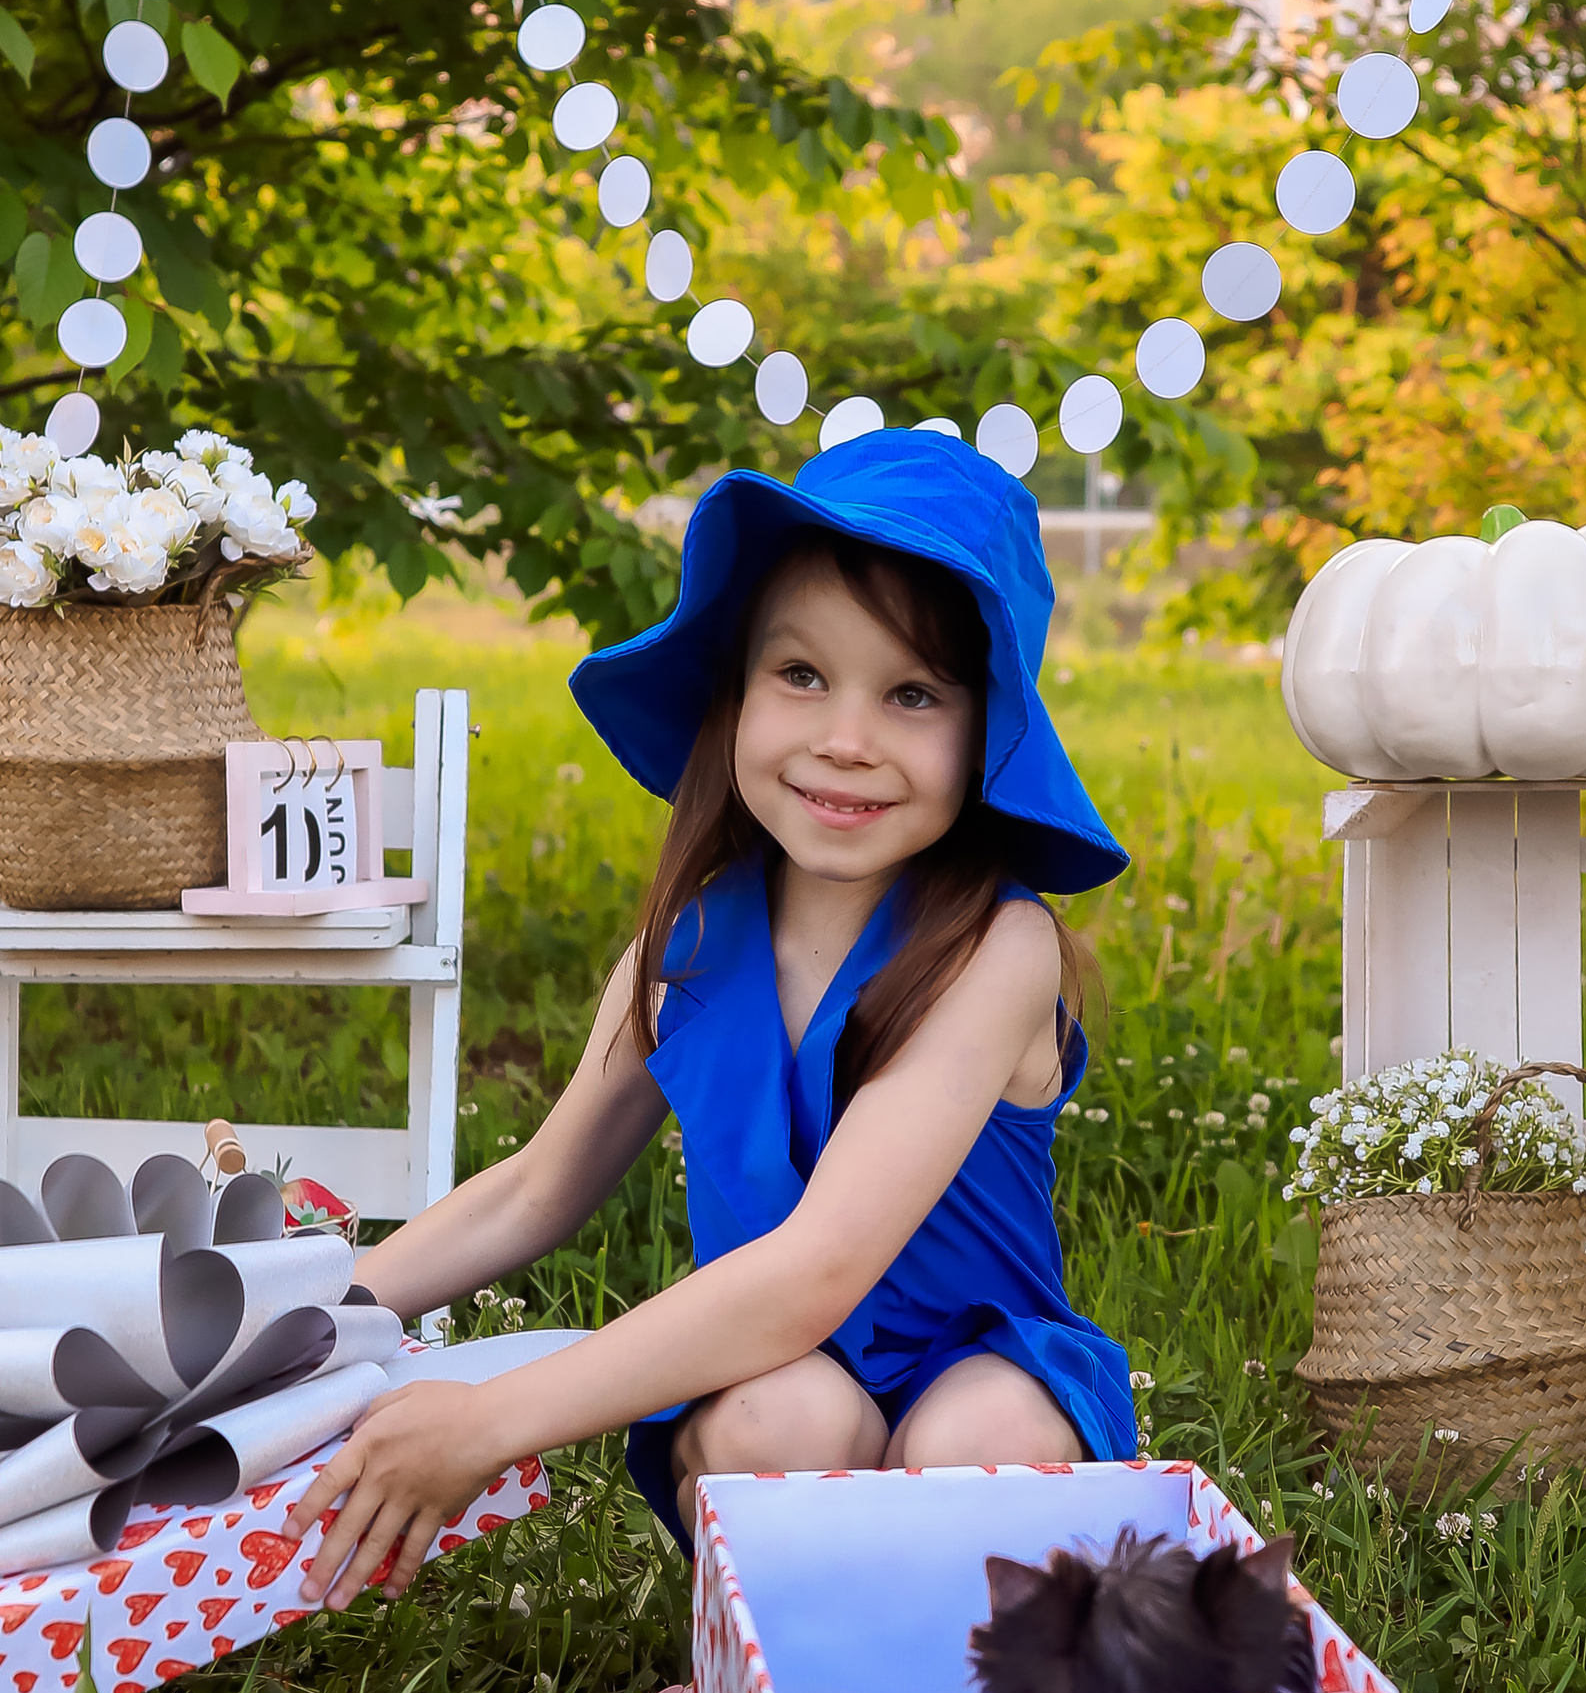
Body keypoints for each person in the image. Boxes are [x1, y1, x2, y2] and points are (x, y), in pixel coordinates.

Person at [283, 424, 1136, 1627]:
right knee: (780, 1417)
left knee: (975, 1435)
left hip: (978, 1361)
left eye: (911, 694)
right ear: (735, 691)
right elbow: (536, 1191)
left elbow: (819, 1268)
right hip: (778, 1377)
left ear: (987, 732)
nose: (846, 738)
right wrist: (315, 1324)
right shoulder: (689, 946)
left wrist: (490, 1418)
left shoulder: (997, 947)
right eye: (801, 676)